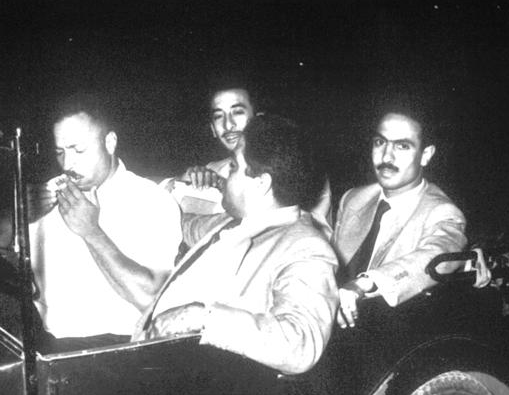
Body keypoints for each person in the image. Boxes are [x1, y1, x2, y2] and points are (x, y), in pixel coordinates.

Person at [134, 114, 338, 375]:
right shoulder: (229, 223)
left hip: (201, 385)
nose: (223, 177)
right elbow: (176, 221)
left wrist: (201, 318)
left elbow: (301, 343)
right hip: (147, 364)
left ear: (261, 183)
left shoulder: (306, 247)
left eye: (232, 167)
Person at [29, 93, 183, 341]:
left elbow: (151, 299)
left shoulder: (152, 200)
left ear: (110, 143)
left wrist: (92, 232)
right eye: (59, 152)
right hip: (44, 344)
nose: (67, 164)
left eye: (78, 150)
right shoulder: (48, 195)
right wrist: (15, 215)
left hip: (115, 349)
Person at [332, 94, 476, 328]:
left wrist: (364, 283)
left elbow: (440, 257)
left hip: (390, 333)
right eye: (380, 142)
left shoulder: (442, 211)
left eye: (402, 146)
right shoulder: (353, 198)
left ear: (426, 155)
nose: (386, 156)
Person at [164, 85, 333, 230]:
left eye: (237, 112)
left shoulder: (299, 169)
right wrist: (181, 180)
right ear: (213, 129)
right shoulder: (212, 170)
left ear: (259, 119)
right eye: (218, 116)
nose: (228, 125)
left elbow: (307, 233)